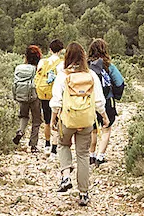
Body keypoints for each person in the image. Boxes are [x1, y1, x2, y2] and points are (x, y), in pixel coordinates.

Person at [50, 41, 106, 206]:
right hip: (86, 121)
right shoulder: (91, 76)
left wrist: (53, 120)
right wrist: (104, 117)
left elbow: (56, 102)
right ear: (83, 57)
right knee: (83, 154)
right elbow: (99, 100)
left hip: (67, 121)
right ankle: (83, 193)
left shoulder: (62, 76)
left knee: (63, 145)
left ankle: (65, 176)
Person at [86, 38, 125, 166]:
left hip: (89, 102)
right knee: (106, 129)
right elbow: (119, 82)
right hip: (107, 100)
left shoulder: (86, 66)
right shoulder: (108, 66)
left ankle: (91, 155)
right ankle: (100, 157)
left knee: (93, 129)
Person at [34, 39, 65, 154]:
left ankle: (46, 143)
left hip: (43, 93)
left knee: (47, 120)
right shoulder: (62, 64)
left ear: (50, 49)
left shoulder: (43, 62)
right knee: (56, 120)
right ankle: (54, 147)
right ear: (61, 50)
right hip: (56, 94)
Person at [12, 45, 44, 151]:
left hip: (21, 95)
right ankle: (33, 145)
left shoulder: (19, 68)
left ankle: (20, 131)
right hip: (34, 96)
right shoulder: (37, 68)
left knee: (23, 116)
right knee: (36, 120)